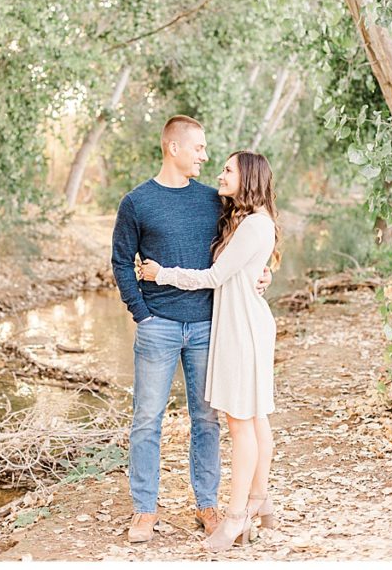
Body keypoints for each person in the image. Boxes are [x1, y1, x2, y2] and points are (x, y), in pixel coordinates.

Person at [111, 116, 270, 544]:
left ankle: (207, 504)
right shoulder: (137, 203)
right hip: (157, 326)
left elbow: (246, 246)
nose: (205, 155)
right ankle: (145, 510)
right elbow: (121, 261)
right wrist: (140, 313)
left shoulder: (213, 202)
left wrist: (263, 275)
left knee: (207, 420)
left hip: (207, 326)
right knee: (147, 420)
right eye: (199, 148)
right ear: (174, 149)